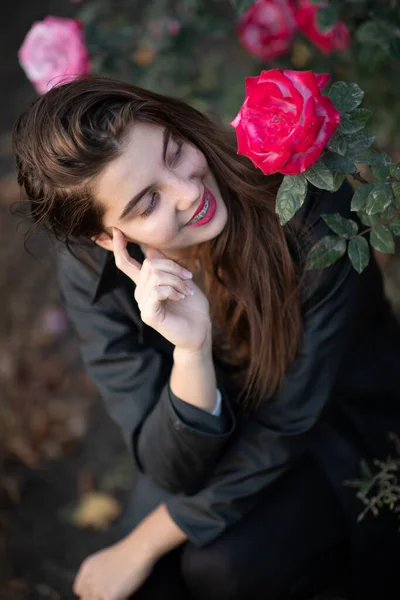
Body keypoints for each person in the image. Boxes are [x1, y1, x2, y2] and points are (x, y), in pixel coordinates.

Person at [12, 75, 400, 600]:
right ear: (107, 238)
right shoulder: (88, 268)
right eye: (146, 203)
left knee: (222, 568)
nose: (190, 191)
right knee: (148, 590)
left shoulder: (309, 210)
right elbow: (169, 463)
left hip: (329, 425)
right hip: (209, 439)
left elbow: (289, 424)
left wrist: (145, 541)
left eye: (174, 152)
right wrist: (190, 353)